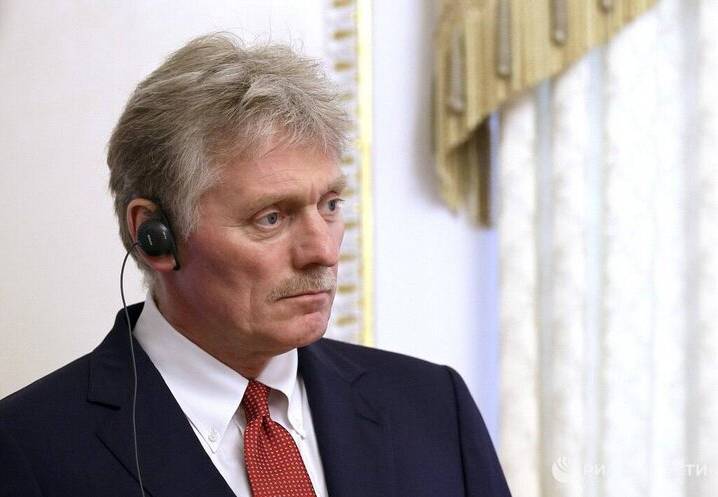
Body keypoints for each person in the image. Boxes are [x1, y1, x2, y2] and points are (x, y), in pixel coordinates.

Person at [0, 33, 512, 497]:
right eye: (271, 218)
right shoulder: (26, 449)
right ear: (155, 237)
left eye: (330, 205)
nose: (323, 250)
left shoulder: (434, 405)